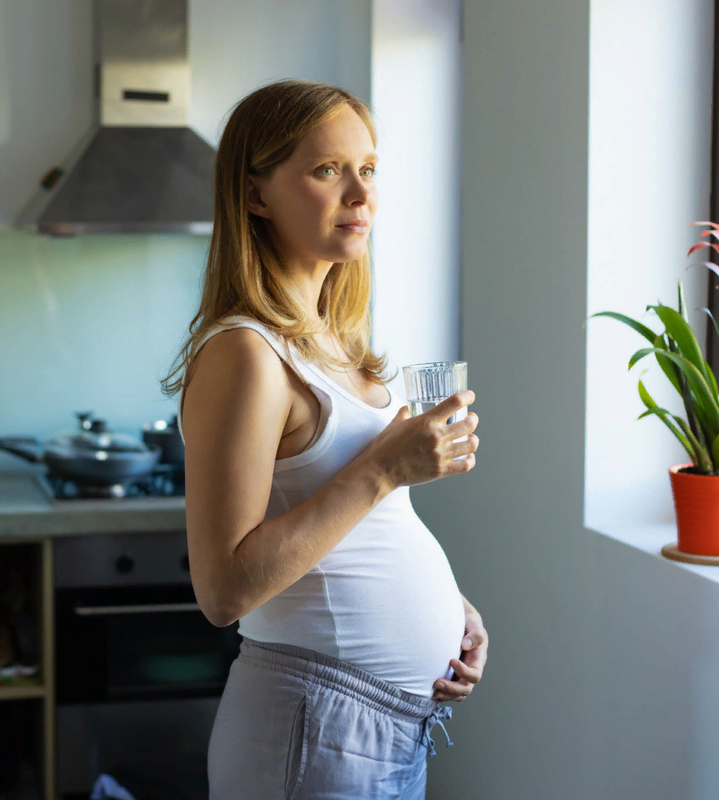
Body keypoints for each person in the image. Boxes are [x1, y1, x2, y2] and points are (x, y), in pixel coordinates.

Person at [162, 79, 488, 800]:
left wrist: (453, 613)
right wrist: (382, 470)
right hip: (313, 727)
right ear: (255, 196)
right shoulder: (246, 353)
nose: (361, 195)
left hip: (385, 728)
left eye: (367, 170)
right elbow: (222, 591)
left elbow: (365, 528)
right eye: (326, 170)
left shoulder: (333, 344)